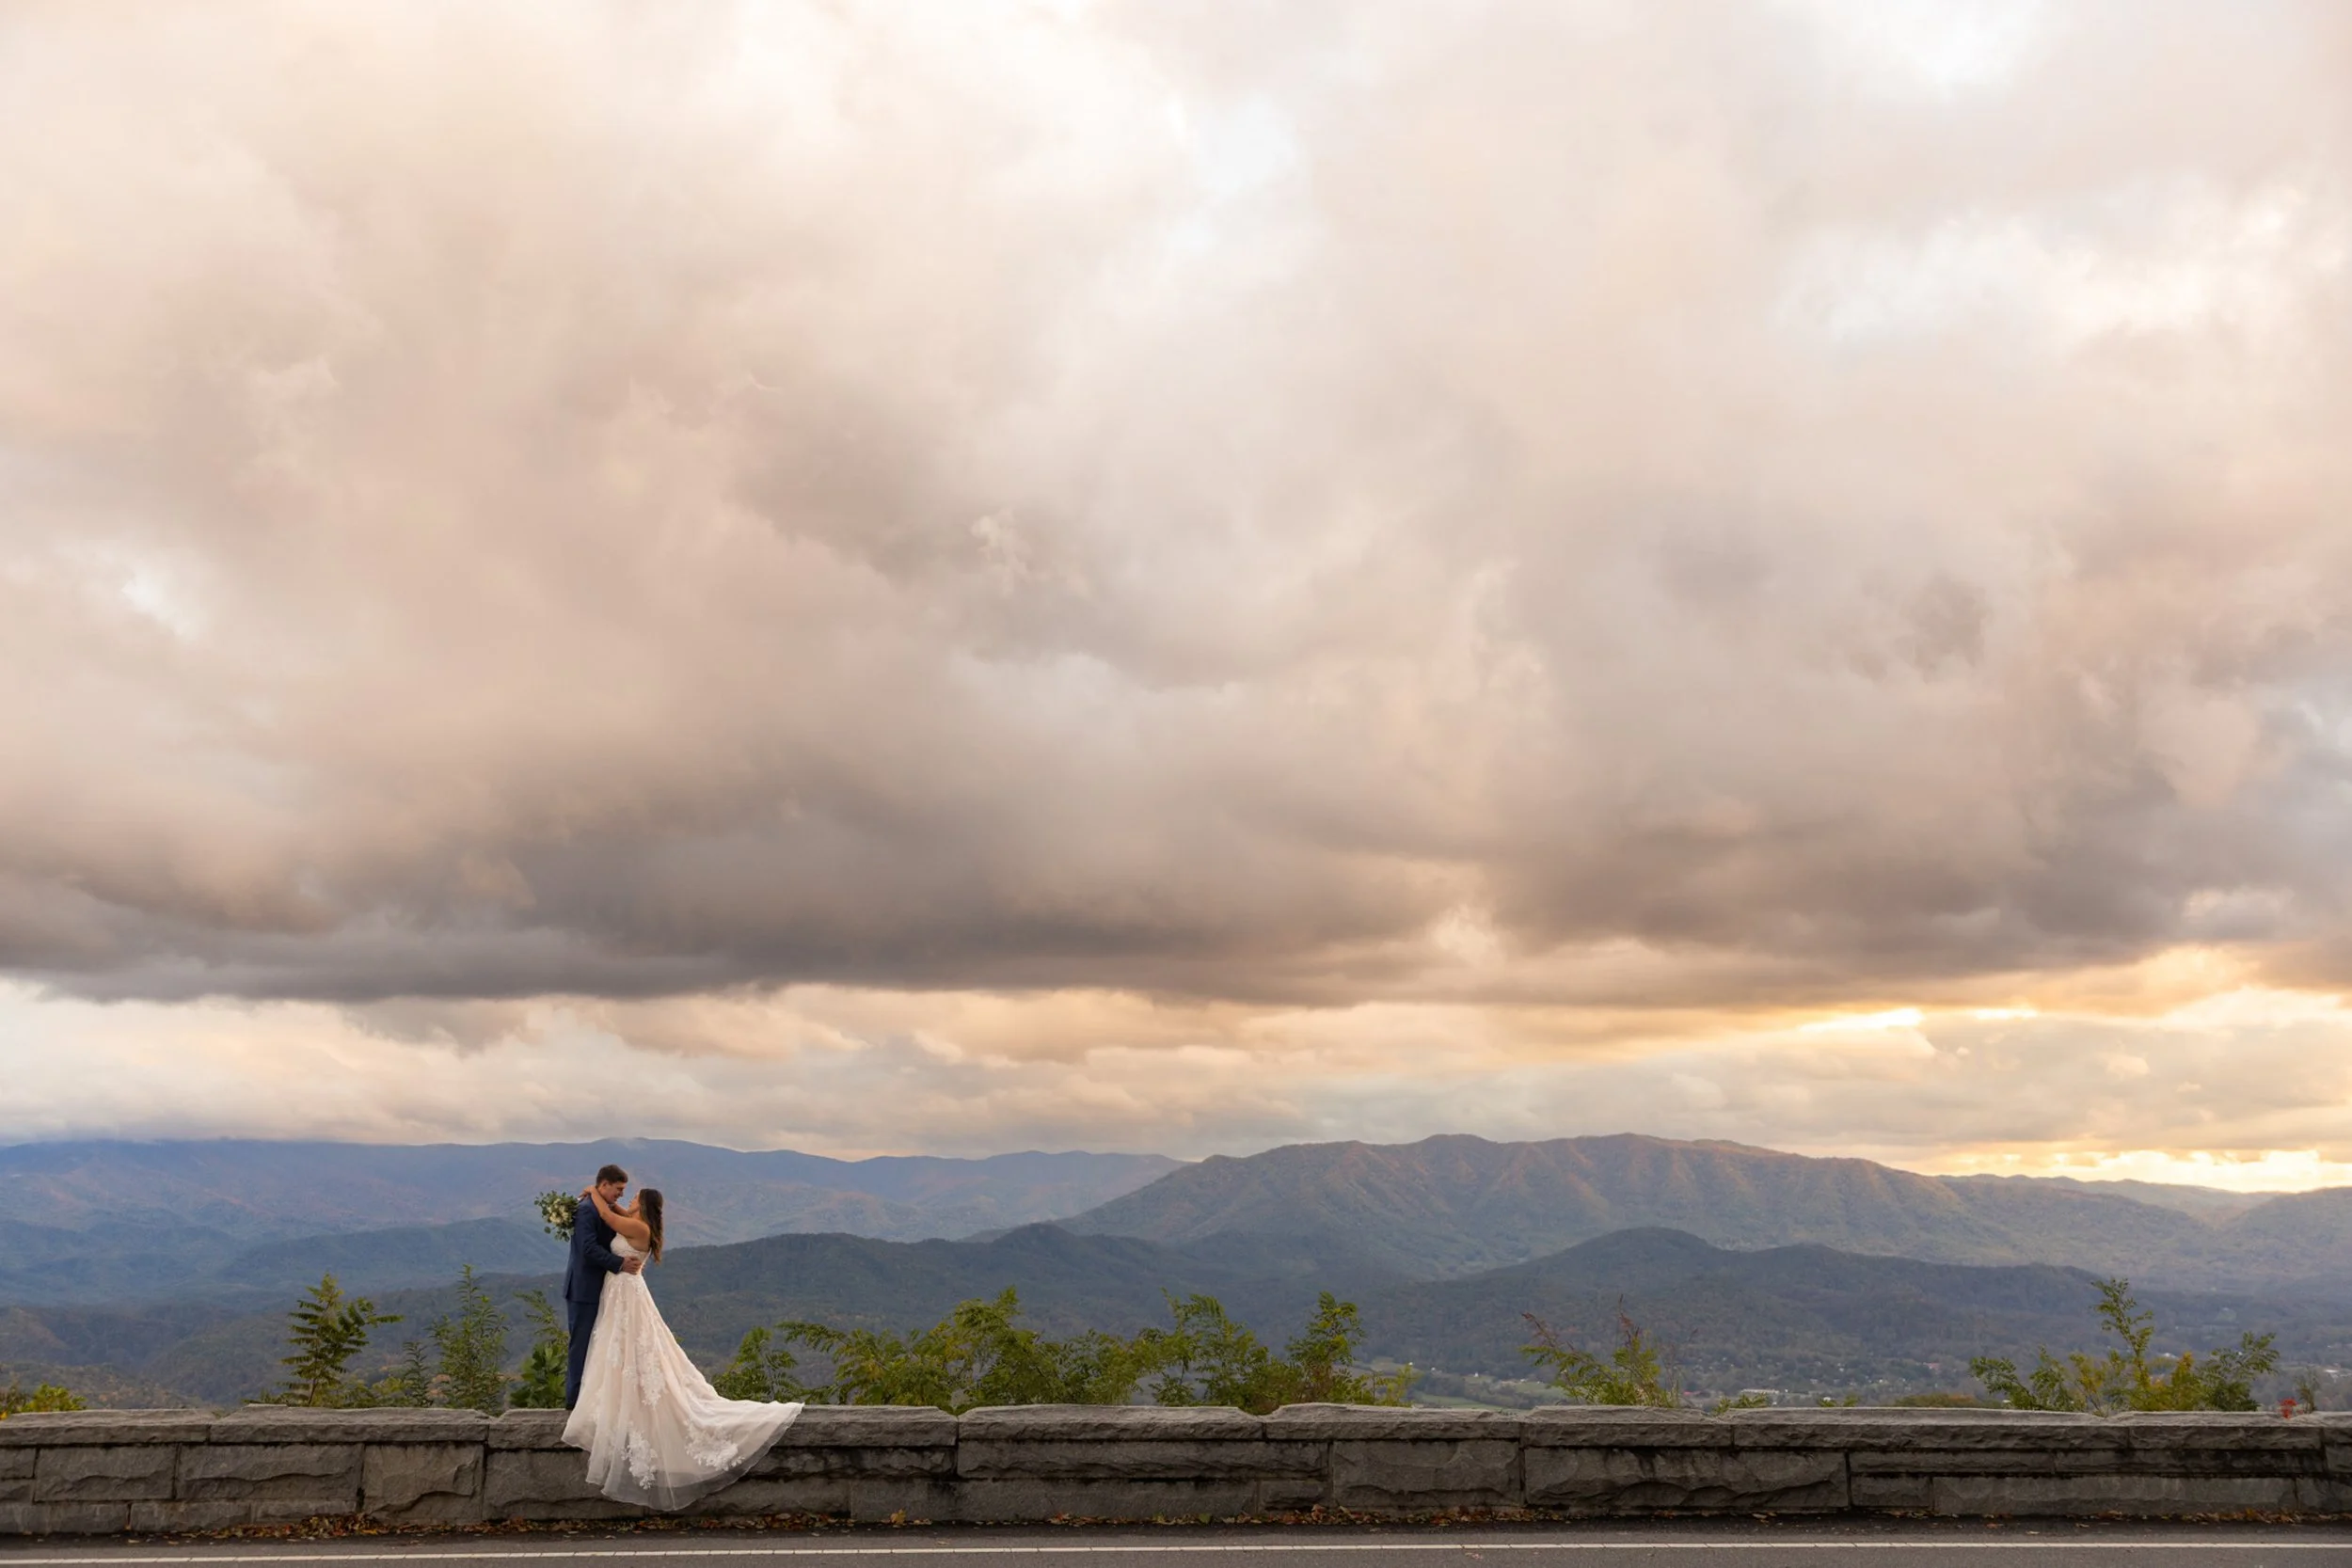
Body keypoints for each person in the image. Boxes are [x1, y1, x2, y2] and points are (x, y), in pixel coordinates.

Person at [561, 1180, 803, 1509]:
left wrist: (592, 1192)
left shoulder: (636, 1227)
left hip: (627, 1295)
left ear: (642, 1205)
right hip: (622, 1293)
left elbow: (608, 1216)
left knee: (632, 1348)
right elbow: (614, 1211)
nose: (626, 1199)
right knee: (624, 1350)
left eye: (632, 1196)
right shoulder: (641, 1223)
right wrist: (600, 1198)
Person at [562, 1164, 642, 1410]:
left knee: (598, 1344)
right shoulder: (587, 1210)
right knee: (582, 1344)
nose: (621, 1194)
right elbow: (588, 1249)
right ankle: (573, 1402)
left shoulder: (600, 1206)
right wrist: (619, 1263)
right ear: (604, 1184)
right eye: (618, 1189)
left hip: (601, 1288)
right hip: (584, 1289)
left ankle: (590, 1399)